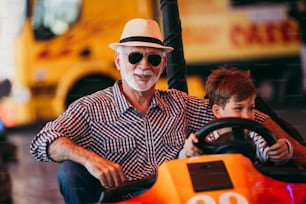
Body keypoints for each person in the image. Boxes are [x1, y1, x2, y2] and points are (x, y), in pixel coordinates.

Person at [30, 18, 306, 203]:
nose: (144, 66)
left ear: (162, 66)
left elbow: (237, 115)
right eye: (135, 56)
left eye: (153, 59)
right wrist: (89, 159)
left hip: (178, 197)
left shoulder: (180, 103)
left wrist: (287, 148)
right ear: (118, 60)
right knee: (70, 170)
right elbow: (43, 141)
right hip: (126, 199)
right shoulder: (91, 108)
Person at [181, 67, 292, 165]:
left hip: (252, 183)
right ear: (218, 111)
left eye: (251, 108)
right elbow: (189, 162)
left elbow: (270, 154)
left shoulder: (254, 136)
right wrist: (189, 151)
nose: (247, 116)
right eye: (238, 108)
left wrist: (282, 150)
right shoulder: (206, 139)